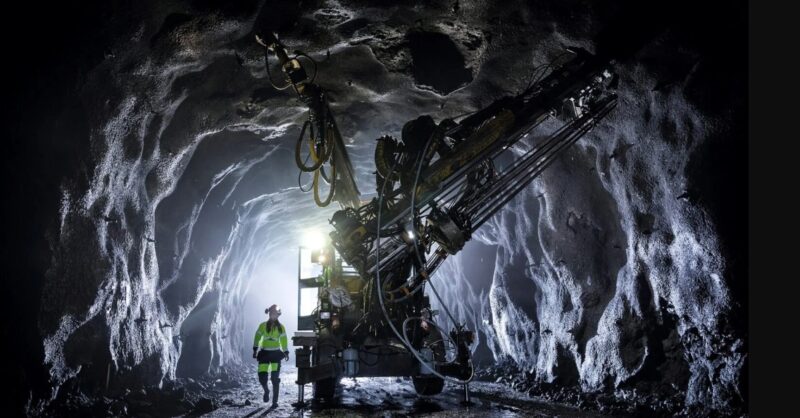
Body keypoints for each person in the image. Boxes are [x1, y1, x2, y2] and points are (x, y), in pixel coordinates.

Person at [253, 304, 289, 406]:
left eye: (275, 314)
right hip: (264, 354)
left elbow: (284, 340)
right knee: (262, 377)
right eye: (271, 313)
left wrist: (286, 351)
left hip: (276, 355)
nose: (273, 316)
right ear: (269, 314)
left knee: (274, 379)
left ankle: (275, 401)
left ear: (278, 315)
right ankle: (266, 391)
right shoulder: (262, 326)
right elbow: (257, 337)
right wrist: (255, 349)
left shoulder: (281, 328)